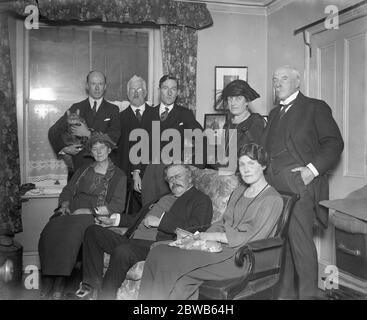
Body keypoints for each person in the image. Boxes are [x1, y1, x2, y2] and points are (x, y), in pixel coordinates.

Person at [138, 143, 283, 300]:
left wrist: (211, 238)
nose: (246, 169)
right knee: (158, 252)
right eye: (242, 164)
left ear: (263, 165)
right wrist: (199, 238)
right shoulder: (239, 191)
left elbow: (251, 237)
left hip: (240, 258)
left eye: (251, 163)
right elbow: (223, 221)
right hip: (219, 249)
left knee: (171, 261)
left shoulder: (272, 199)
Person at [261, 65, 344, 299]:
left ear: (298, 82)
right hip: (274, 186)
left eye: (284, 79)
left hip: (299, 185)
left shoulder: (315, 107)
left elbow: (334, 143)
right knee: (282, 246)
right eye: (275, 79)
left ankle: (308, 296)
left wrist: (311, 170)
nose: (277, 83)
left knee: (300, 245)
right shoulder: (275, 113)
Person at [75, 163, 213, 300]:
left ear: (190, 178)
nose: (174, 182)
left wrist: (160, 222)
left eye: (178, 176)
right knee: (93, 231)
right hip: (132, 240)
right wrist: (114, 220)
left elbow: (198, 227)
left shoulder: (200, 199)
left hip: (157, 245)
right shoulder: (163, 197)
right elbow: (138, 218)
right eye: (170, 179)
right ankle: (91, 287)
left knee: (123, 251)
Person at [38, 132, 127, 299]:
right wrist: (64, 205)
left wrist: (90, 211)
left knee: (72, 233)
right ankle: (49, 278)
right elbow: (69, 190)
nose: (99, 152)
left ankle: (60, 282)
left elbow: (117, 205)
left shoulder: (119, 176)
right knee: (50, 230)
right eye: (95, 149)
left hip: (93, 215)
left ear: (109, 150)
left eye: (102, 148)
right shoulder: (83, 169)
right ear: (91, 152)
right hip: (70, 210)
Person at [141, 75, 203, 206]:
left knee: (167, 207)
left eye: (173, 89)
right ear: (159, 90)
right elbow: (140, 144)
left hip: (172, 170)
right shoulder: (148, 113)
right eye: (165, 88)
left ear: (177, 92)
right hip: (149, 172)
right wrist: (136, 172)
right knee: (148, 209)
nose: (169, 93)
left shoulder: (185, 113)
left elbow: (200, 137)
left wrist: (194, 164)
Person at [48, 71, 121, 180]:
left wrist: (88, 133)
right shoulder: (76, 108)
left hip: (104, 171)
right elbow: (53, 131)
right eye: (93, 84)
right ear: (87, 86)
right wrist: (64, 148)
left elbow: (113, 138)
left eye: (100, 84)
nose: (97, 88)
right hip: (79, 170)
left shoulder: (113, 110)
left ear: (105, 87)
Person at [114, 75, 156, 215]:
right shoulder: (119, 118)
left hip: (152, 175)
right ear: (127, 94)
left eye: (139, 89)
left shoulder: (157, 116)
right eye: (132, 90)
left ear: (145, 92)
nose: (136, 93)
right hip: (125, 178)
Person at [211, 79, 266, 170]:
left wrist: (230, 159)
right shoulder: (228, 123)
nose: (233, 103)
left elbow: (252, 152)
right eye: (230, 99)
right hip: (225, 170)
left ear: (247, 101)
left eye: (238, 99)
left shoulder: (255, 121)